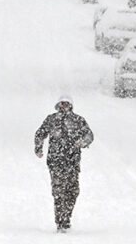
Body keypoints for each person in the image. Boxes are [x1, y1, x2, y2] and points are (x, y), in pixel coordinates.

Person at [34, 95, 94, 232]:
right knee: (59, 191)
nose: (64, 106)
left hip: (73, 162)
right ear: (58, 105)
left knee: (73, 191)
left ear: (71, 105)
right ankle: (61, 221)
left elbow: (89, 135)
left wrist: (83, 142)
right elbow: (40, 133)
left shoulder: (78, 120)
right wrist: (38, 148)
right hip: (56, 162)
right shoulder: (51, 120)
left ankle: (67, 215)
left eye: (67, 104)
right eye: (62, 104)